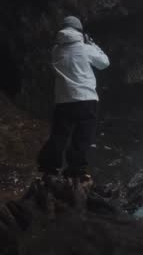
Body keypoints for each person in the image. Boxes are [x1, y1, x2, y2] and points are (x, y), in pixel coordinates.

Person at [37, 16, 110, 181]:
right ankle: (75, 170)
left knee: (59, 135)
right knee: (83, 136)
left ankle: (49, 168)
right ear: (79, 31)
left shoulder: (55, 51)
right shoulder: (85, 48)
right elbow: (104, 63)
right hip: (86, 99)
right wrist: (92, 44)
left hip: (63, 100)